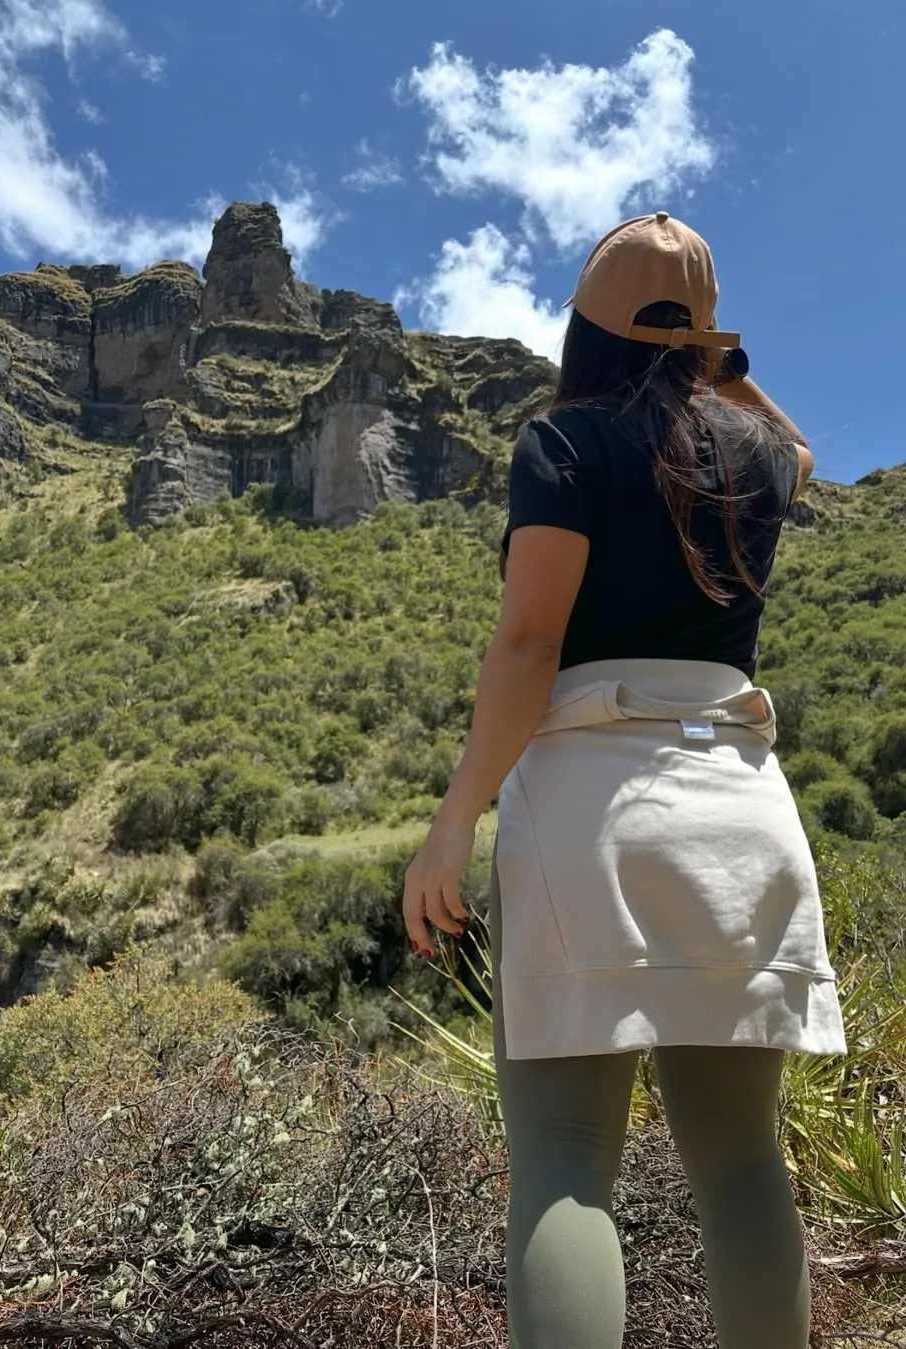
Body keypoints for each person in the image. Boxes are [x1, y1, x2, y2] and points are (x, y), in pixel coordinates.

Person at [401, 212, 848, 1349]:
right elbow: (798, 452)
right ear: (705, 341)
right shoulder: (753, 458)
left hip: (591, 811)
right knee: (744, 1157)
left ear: (582, 328)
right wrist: (724, 368)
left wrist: (452, 822)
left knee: (565, 1162)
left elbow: (526, 648)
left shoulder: (563, 445)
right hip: (742, 808)